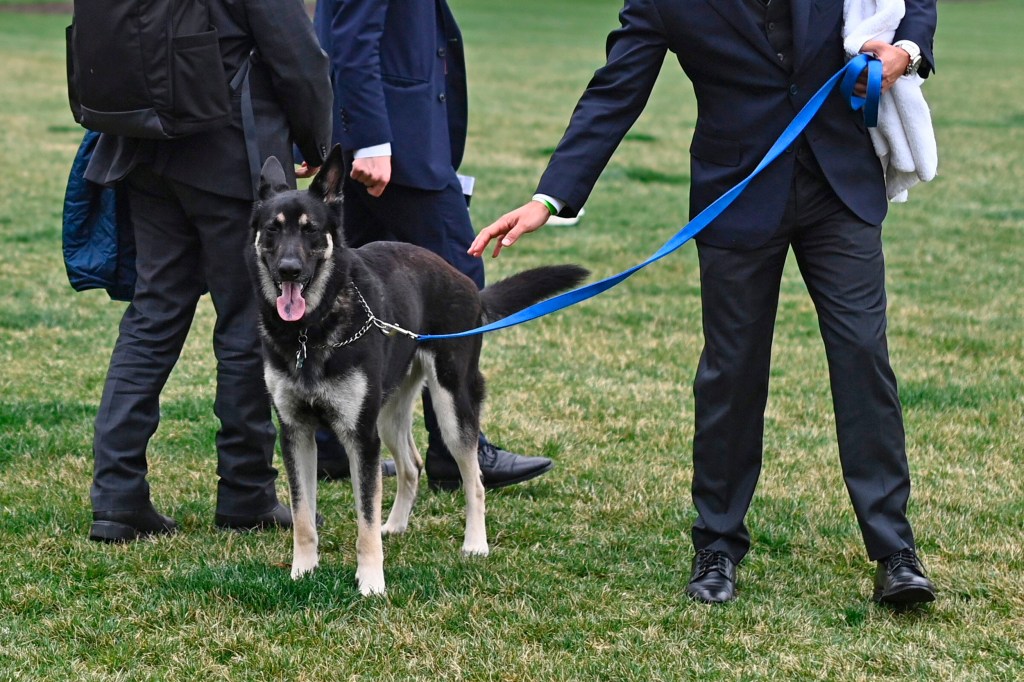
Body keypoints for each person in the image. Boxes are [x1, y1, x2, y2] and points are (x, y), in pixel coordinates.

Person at [471, 0, 938, 606]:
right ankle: (716, 544)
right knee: (731, 369)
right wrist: (551, 198)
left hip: (839, 186)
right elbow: (617, 89)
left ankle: (894, 550)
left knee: (862, 357)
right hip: (737, 192)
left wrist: (908, 51)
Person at [85, 0, 333, 542]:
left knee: (152, 316)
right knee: (248, 324)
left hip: (146, 150)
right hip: (231, 156)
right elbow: (299, 57)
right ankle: (246, 491)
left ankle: (117, 495)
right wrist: (316, 142)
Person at [309, 0, 554, 491]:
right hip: (393, 145)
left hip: (379, 134)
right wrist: (374, 140)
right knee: (459, 284)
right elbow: (353, 33)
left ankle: (336, 441)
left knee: (349, 284)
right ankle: (455, 447)